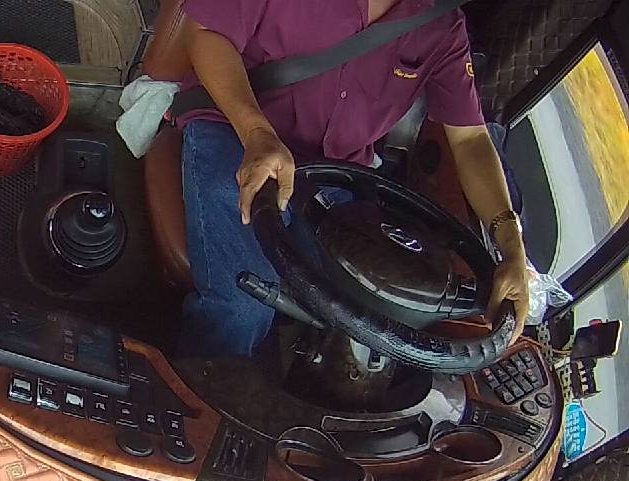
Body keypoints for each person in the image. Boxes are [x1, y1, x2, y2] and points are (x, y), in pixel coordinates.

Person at [176, 0, 530, 358]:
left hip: (331, 173)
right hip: (238, 131)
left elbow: (470, 140)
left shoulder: (441, 26)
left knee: (370, 313)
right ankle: (197, 381)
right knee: (243, 309)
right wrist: (256, 131)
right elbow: (206, 33)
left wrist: (511, 244)